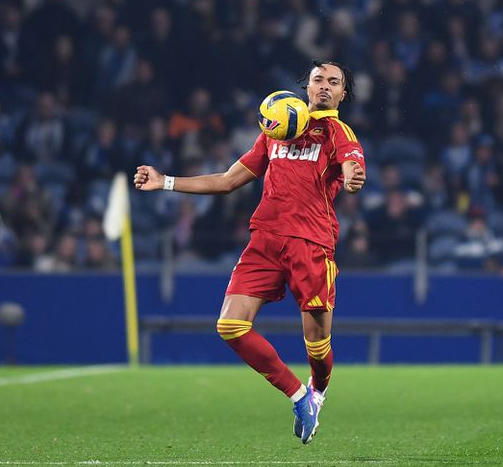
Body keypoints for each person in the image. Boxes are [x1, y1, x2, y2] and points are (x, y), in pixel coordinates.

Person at [134, 60, 366, 445]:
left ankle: (318, 391)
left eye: (334, 82)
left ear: (343, 94)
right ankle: (299, 396)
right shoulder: (276, 128)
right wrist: (165, 182)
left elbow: (351, 162)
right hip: (265, 241)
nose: (325, 86)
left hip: (311, 245)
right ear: (307, 87)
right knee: (229, 325)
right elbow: (227, 180)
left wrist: (353, 175)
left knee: (317, 344)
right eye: (318, 80)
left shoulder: (337, 132)